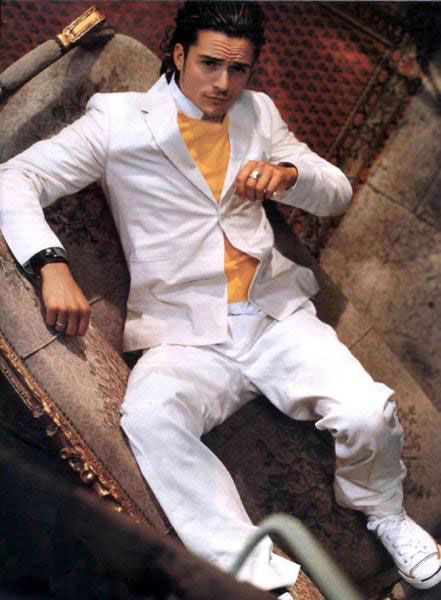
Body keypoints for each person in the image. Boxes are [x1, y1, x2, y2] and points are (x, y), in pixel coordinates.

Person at [0, 2, 440, 597]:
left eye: (239, 69)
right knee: (150, 418)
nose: (224, 83)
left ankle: (385, 513)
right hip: (184, 336)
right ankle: (264, 581)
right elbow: (14, 178)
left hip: (276, 317)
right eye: (210, 64)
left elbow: (335, 192)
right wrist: (50, 263)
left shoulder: (259, 112)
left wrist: (289, 176)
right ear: (179, 54)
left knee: (368, 413)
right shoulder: (118, 120)